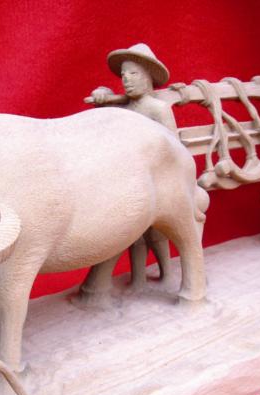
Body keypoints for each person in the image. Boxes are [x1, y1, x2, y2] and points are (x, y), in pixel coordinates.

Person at [89, 43, 177, 286]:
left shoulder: (158, 108)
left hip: (156, 181)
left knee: (157, 232)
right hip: (130, 184)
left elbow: (174, 148)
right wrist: (102, 93)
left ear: (148, 77)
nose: (126, 79)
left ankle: (167, 274)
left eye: (134, 73)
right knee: (133, 234)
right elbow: (103, 110)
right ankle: (138, 279)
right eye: (123, 74)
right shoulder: (123, 108)